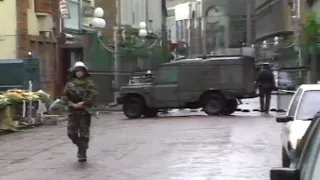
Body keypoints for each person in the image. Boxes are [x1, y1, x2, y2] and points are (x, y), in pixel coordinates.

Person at [61, 61, 98, 162]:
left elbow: (93, 95)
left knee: (84, 134)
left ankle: (82, 153)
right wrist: (71, 104)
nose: (79, 73)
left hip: (84, 112)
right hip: (73, 111)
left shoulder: (89, 83)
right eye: (77, 71)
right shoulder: (70, 84)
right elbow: (64, 97)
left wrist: (84, 103)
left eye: (81, 71)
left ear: (84, 72)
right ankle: (81, 146)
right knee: (71, 133)